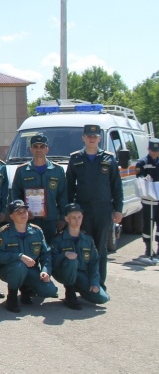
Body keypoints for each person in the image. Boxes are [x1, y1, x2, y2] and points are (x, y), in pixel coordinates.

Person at [66, 124, 123, 290]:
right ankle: (82, 284)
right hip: (82, 211)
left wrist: (118, 209)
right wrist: (69, 210)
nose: (92, 139)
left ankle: (99, 284)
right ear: (83, 137)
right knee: (81, 246)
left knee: (100, 248)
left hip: (103, 209)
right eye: (89, 136)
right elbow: (69, 186)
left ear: (99, 138)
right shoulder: (76, 158)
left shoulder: (109, 158)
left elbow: (116, 186)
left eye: (95, 136)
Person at [0, 199, 58, 313]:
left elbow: (45, 254)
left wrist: (45, 271)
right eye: (19, 213)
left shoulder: (36, 231)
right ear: (12, 216)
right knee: (19, 266)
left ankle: (26, 288)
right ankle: (12, 297)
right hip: (10, 270)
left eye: (24, 212)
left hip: (31, 270)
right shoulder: (3, 232)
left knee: (50, 291)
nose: (23, 215)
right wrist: (19, 256)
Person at [11, 133, 68, 243]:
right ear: (31, 149)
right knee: (32, 251)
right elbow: (16, 194)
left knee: (51, 251)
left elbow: (62, 196)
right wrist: (23, 213)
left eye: (42, 146)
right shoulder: (22, 170)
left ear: (47, 149)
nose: (38, 150)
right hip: (29, 219)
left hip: (51, 219)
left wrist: (62, 217)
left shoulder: (57, 170)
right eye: (35, 147)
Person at [51, 203, 110, 310]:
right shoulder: (58, 239)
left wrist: (94, 283)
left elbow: (94, 263)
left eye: (79, 217)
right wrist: (64, 255)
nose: (77, 221)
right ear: (67, 219)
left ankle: (80, 288)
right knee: (71, 261)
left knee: (103, 298)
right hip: (63, 273)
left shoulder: (87, 239)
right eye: (73, 218)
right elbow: (52, 261)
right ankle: (70, 294)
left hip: (81, 274)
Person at [135, 138, 159, 257]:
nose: (155, 152)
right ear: (148, 149)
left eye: (157, 150)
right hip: (149, 199)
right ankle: (148, 248)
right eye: (153, 150)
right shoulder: (142, 163)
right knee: (148, 224)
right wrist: (145, 180)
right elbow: (139, 179)